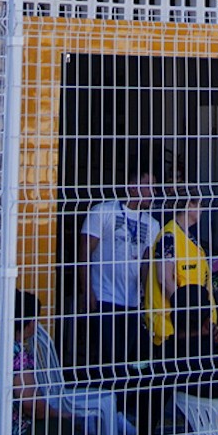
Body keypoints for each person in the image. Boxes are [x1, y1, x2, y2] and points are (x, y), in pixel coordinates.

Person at [77, 164, 162, 385]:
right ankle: (103, 406)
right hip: (104, 297)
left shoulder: (152, 224)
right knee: (106, 360)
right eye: (148, 186)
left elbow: (146, 263)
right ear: (132, 187)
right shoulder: (103, 212)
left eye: (155, 187)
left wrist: (146, 298)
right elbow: (84, 253)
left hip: (132, 302)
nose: (153, 192)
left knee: (126, 361)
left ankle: (120, 409)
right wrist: (87, 292)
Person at [16, 290, 135, 435]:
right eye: (35, 319)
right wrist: (58, 414)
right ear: (29, 323)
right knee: (63, 428)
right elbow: (30, 404)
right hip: (15, 428)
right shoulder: (18, 357)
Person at [144, 189, 218, 345]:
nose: (202, 209)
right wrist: (190, 314)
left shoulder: (189, 240)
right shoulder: (170, 236)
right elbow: (164, 279)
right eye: (200, 204)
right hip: (174, 331)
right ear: (188, 205)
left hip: (194, 329)